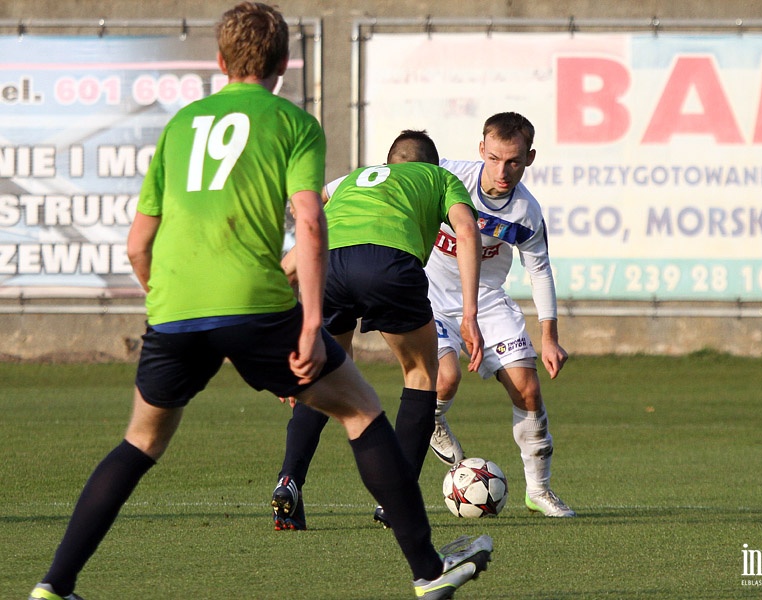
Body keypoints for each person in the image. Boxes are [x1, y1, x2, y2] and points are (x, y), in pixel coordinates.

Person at [27, 5, 491, 600]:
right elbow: (310, 223)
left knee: (140, 441)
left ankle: (53, 584)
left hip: (175, 311)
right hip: (257, 306)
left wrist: (168, 306)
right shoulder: (294, 126)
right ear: (281, 65)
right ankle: (427, 573)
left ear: (219, 61)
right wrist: (311, 326)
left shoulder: (180, 125)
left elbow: (138, 242)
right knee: (361, 411)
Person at [272, 130, 484, 531]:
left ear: (388, 164)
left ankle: (289, 480)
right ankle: (395, 502)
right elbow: (467, 231)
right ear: (431, 165)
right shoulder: (440, 179)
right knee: (422, 375)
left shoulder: (354, 180)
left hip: (329, 265)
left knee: (323, 375)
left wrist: (284, 344)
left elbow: (306, 241)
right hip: (388, 264)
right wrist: (469, 314)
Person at [426, 111, 576, 518]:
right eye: (493, 158)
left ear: (529, 157)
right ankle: (432, 420)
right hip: (430, 296)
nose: (502, 170)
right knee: (446, 378)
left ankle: (539, 491)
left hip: (487, 299)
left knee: (528, 389)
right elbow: (384, 179)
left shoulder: (526, 211)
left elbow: (539, 269)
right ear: (481, 150)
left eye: (513, 161)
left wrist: (549, 336)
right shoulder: (447, 176)